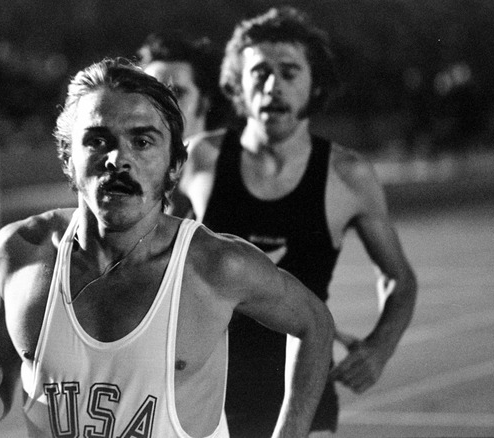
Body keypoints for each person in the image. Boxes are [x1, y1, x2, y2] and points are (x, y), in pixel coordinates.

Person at [0, 58, 335, 438]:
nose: (118, 159)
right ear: (68, 158)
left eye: (142, 141)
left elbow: (313, 322)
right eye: (98, 140)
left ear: (174, 165)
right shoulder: (20, 254)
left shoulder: (215, 266)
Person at [175, 7, 418, 436]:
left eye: (289, 72)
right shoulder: (201, 159)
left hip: (304, 390)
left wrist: (380, 348)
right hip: (205, 388)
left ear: (315, 83)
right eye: (259, 73)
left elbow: (399, 278)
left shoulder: (347, 175)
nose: (273, 87)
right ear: (237, 82)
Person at [137, 31, 234, 217]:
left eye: (177, 93)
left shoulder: (228, 170)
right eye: (150, 94)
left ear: (205, 102)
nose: (161, 105)